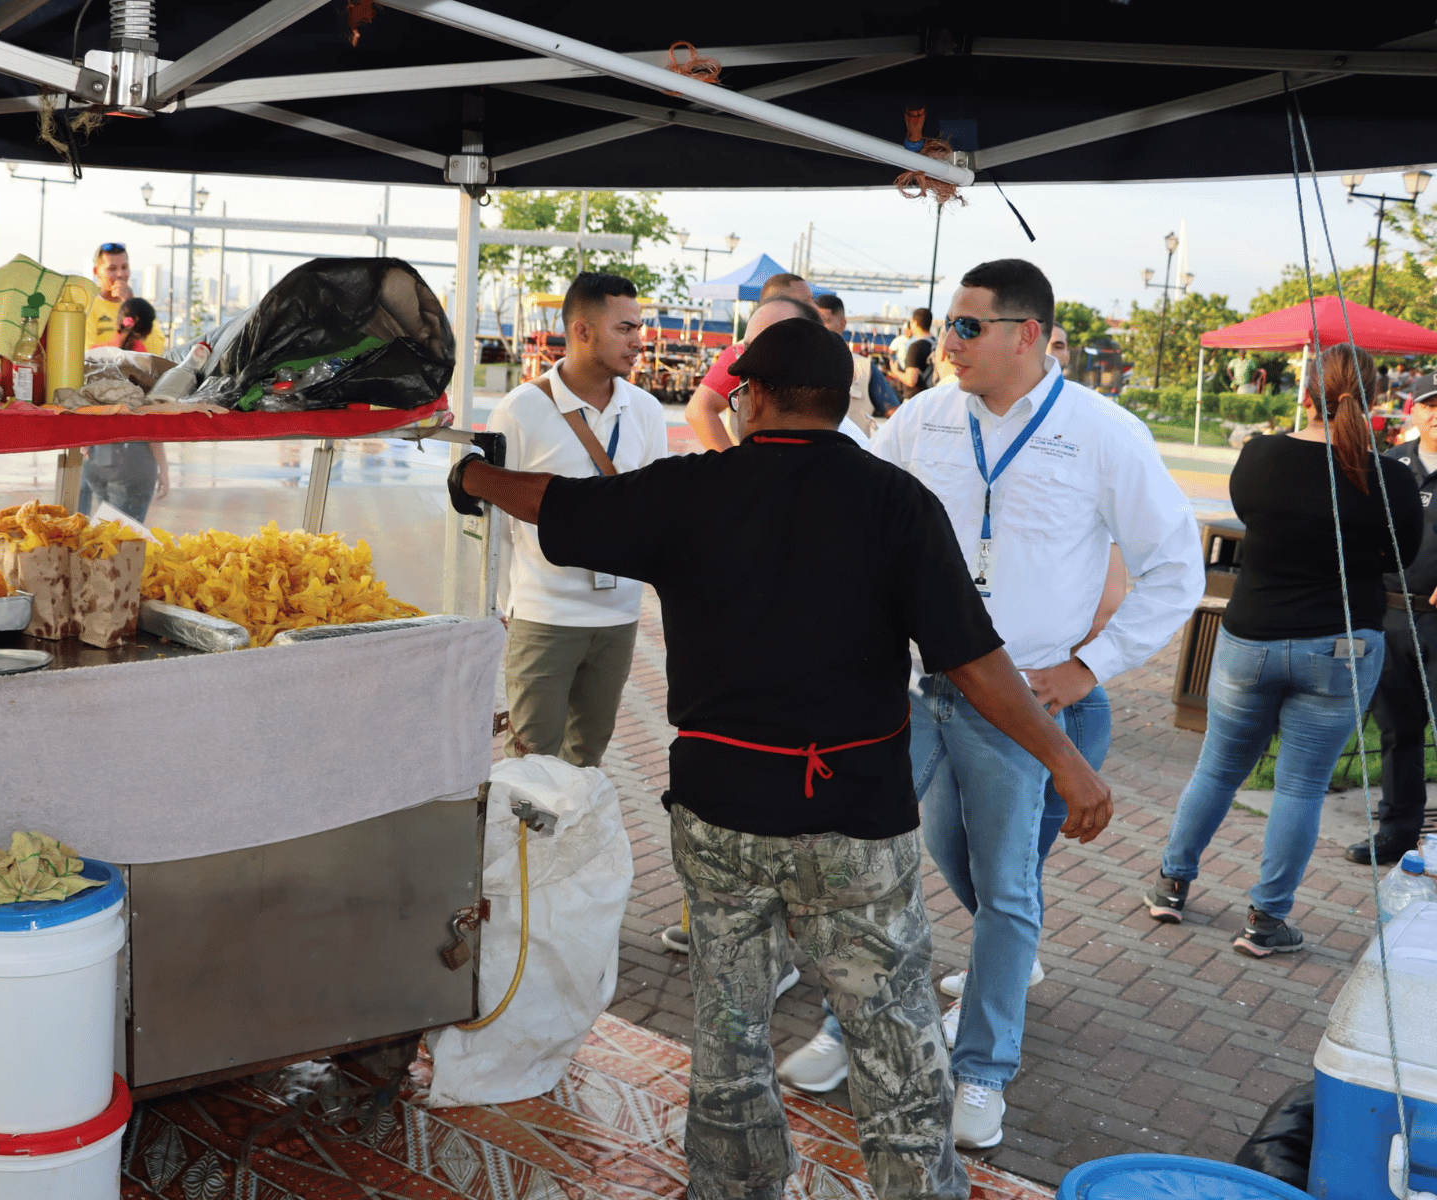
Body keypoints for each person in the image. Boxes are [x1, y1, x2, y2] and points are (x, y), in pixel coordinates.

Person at [445, 315, 1113, 1200]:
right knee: (897, 1045)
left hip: (723, 819)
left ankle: (734, 1188)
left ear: (753, 398)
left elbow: (559, 505)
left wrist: (469, 474)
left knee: (729, 1036)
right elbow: (975, 664)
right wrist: (1068, 762)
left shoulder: (693, 490)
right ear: (840, 405)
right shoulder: (896, 502)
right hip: (856, 823)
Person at [860, 259, 1202, 1148]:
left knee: (1008, 891)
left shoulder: (1101, 432)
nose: (947, 343)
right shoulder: (923, 419)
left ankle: (982, 1070)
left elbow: (1176, 571)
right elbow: (854, 510)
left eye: (968, 327)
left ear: (1028, 336)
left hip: (1029, 707)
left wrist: (1092, 666)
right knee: (904, 857)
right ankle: (859, 1023)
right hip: (922, 689)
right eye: (945, 324)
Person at [1143, 345, 1422, 954]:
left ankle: (1170, 885)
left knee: (1217, 767)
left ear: (1305, 393)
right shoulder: (1389, 478)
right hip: (1341, 644)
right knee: (1300, 787)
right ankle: (1266, 921)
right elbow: (1398, 561)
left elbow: (1254, 520)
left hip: (1252, 637)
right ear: (1375, 398)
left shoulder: (1260, 457)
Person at [488, 271, 669, 770]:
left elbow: (655, 508)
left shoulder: (647, 411)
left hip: (619, 619)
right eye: (626, 328)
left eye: (639, 328)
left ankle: (571, 849)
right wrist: (503, 606)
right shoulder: (521, 410)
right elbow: (495, 522)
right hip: (544, 618)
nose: (639, 341)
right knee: (529, 764)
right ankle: (524, 851)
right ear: (582, 331)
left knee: (586, 759)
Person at [1352, 376, 1437, 866]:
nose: (1436, 415)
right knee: (1397, 730)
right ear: (1413, 409)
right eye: (1429, 405)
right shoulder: (1387, 466)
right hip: (1389, 615)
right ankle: (1398, 830)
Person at [686, 296, 869, 452]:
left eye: (774, 343)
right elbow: (698, 410)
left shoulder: (853, 448)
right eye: (749, 347)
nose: (753, 359)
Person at [684, 274, 816, 452]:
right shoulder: (744, 351)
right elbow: (698, 410)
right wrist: (732, 465)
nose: (815, 307)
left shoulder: (811, 349)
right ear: (778, 303)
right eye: (807, 301)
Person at [79, 266, 171, 522]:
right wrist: (163, 468)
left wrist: (87, 442)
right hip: (134, 464)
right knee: (123, 543)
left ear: (118, 321)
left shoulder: (95, 353)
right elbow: (150, 421)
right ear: (150, 330)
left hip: (96, 461)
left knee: (105, 537)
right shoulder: (147, 365)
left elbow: (82, 403)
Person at [815, 292, 898, 432]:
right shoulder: (799, 363)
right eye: (815, 320)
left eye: (826, 321)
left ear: (843, 324)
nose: (819, 326)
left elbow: (895, 414)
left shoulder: (864, 367)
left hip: (852, 451)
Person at [887, 308, 936, 399]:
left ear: (915, 323)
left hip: (916, 399)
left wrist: (895, 371)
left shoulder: (916, 347)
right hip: (932, 395)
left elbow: (911, 380)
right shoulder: (936, 342)